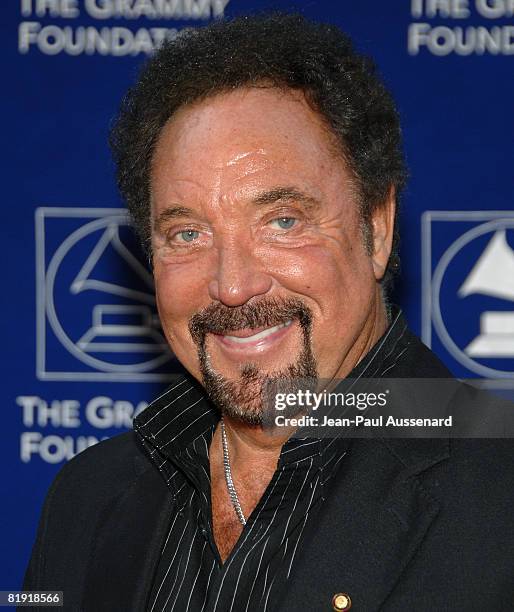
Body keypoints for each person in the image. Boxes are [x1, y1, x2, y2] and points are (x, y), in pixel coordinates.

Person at [23, 13, 514, 612]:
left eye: (282, 221)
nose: (232, 286)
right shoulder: (87, 496)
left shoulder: (500, 487)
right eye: (187, 234)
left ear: (376, 228)